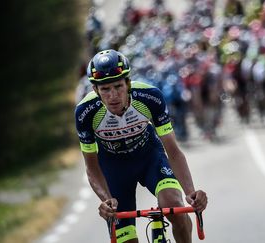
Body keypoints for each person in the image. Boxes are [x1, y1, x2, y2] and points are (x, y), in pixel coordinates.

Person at [75, 49, 208, 243]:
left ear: (128, 83)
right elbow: (91, 166)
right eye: (105, 89)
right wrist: (105, 199)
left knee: (173, 206)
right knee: (126, 239)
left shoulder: (149, 97)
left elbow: (173, 151)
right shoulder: (85, 112)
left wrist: (190, 193)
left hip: (149, 157)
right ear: (95, 90)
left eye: (118, 86)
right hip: (114, 168)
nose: (113, 95)